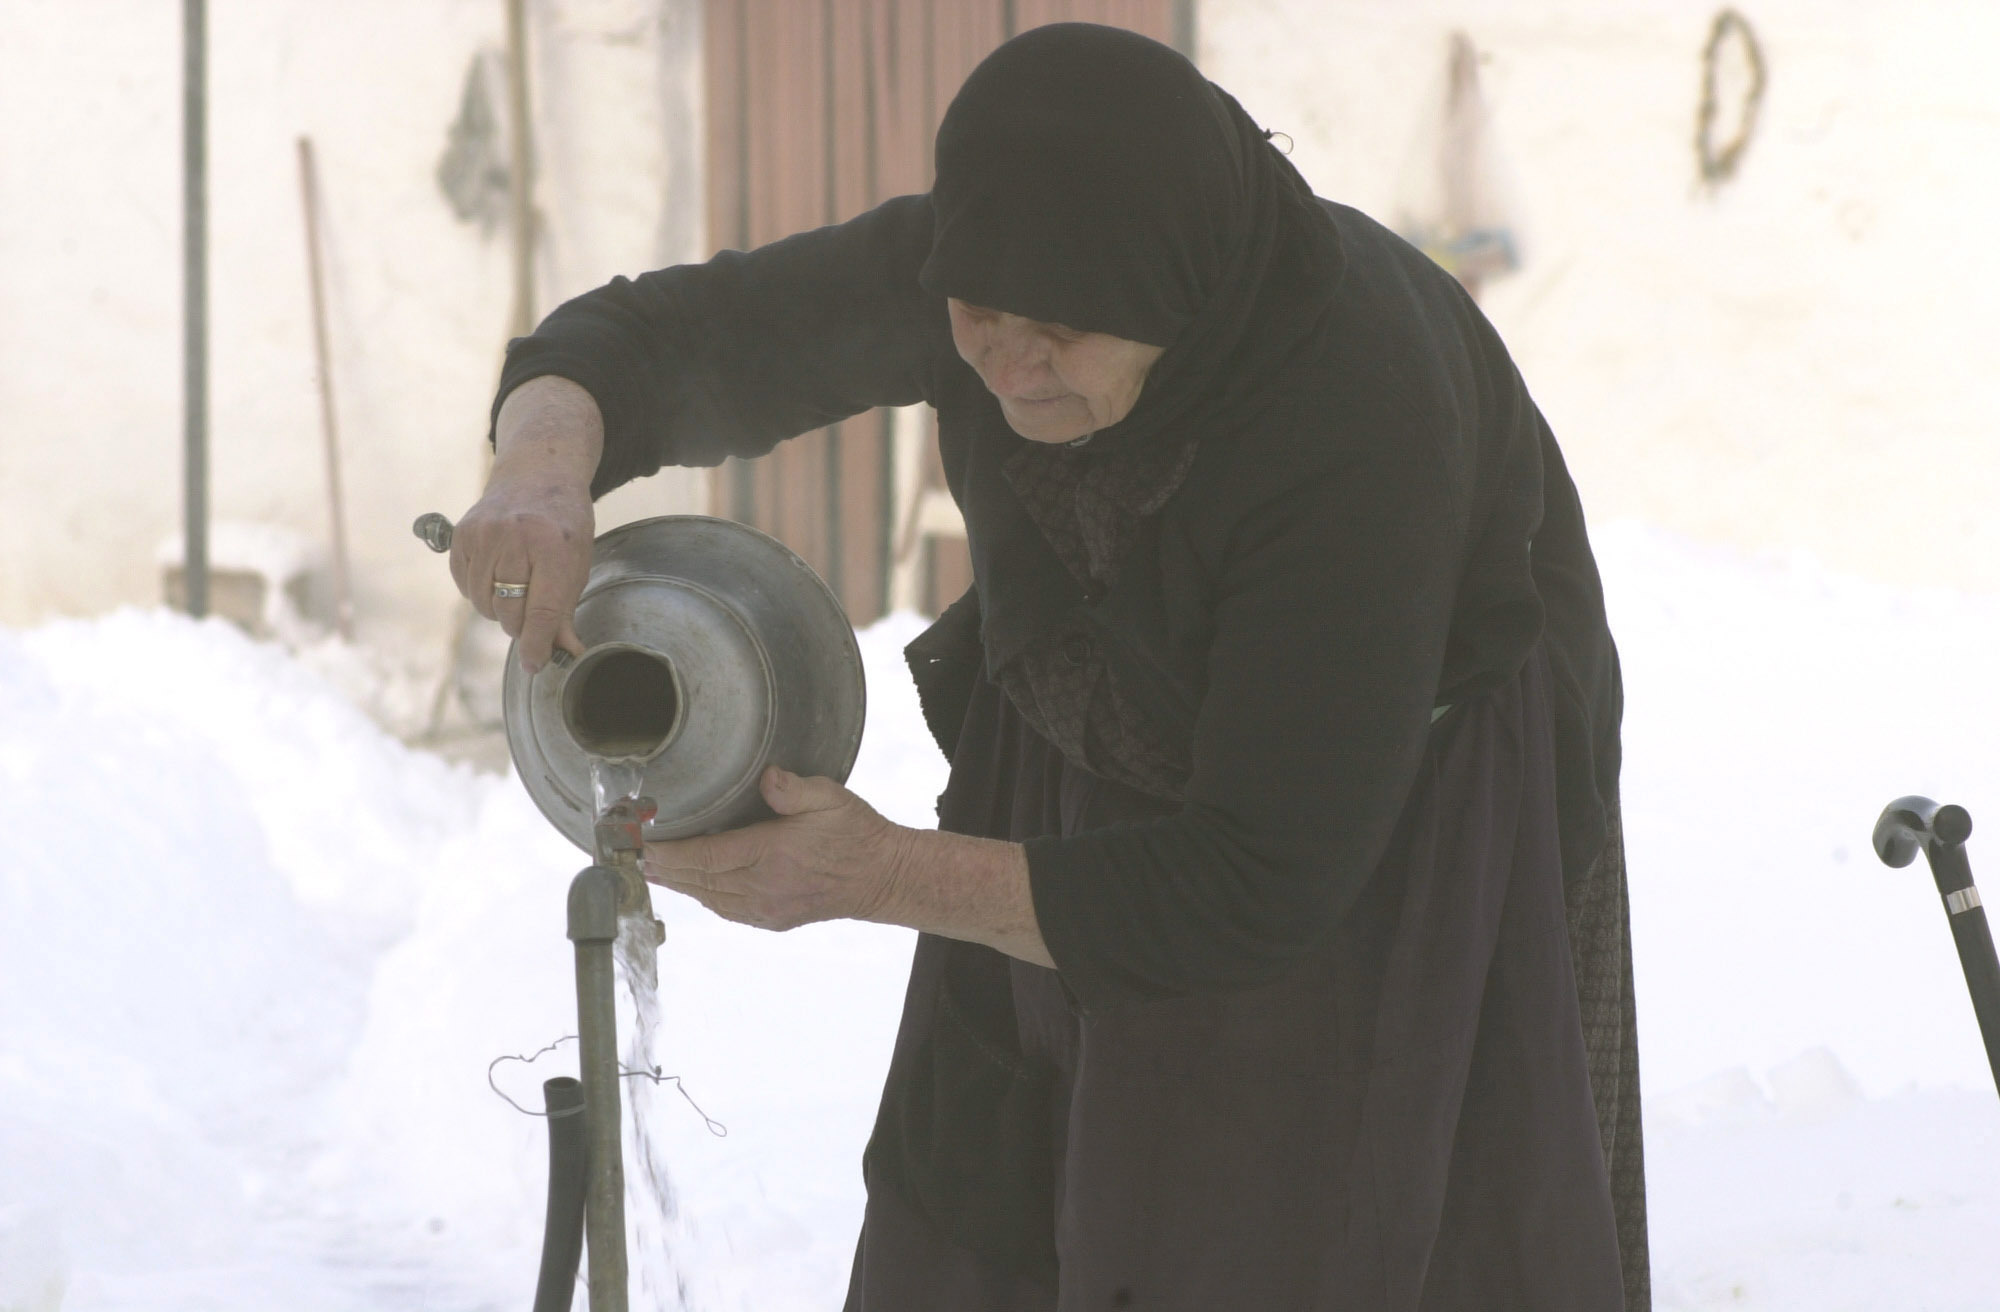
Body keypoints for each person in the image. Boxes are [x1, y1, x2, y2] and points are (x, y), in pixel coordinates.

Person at [449, 23, 1647, 1311]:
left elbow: (1254, 884)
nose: (1009, 366)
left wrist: (878, 873)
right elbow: (657, 338)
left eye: (1063, 336)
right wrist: (539, 470)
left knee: (1268, 1218)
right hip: (1085, 717)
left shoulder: (1355, 423)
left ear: (1172, 297)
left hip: (1358, 808)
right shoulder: (998, 258)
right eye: (976, 319)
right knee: (985, 1179)